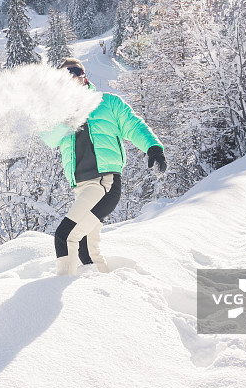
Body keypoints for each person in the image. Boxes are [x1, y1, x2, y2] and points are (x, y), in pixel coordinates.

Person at [42, 57, 166, 276]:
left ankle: (57, 289)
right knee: (87, 250)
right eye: (65, 77)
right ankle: (103, 293)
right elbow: (50, 138)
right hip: (80, 187)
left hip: (103, 182)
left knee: (65, 235)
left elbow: (134, 125)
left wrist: (153, 147)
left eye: (76, 73)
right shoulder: (58, 114)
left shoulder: (108, 103)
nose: (71, 78)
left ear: (84, 77)